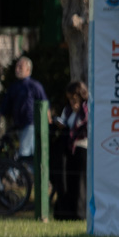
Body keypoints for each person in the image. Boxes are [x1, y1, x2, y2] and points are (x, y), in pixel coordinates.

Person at [50, 81, 89, 221]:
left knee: (80, 183)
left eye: (74, 98)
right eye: (70, 99)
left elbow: (86, 128)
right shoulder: (67, 111)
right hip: (69, 150)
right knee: (68, 182)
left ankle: (80, 213)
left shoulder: (87, 110)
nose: (72, 102)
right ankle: (66, 212)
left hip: (82, 148)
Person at [0, 56, 47, 162]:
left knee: (24, 152)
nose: (17, 69)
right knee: (29, 154)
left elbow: (44, 104)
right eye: (17, 67)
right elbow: (6, 106)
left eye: (20, 67)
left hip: (30, 123)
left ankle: (13, 174)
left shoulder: (34, 86)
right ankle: (29, 176)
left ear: (28, 70)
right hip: (18, 124)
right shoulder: (14, 86)